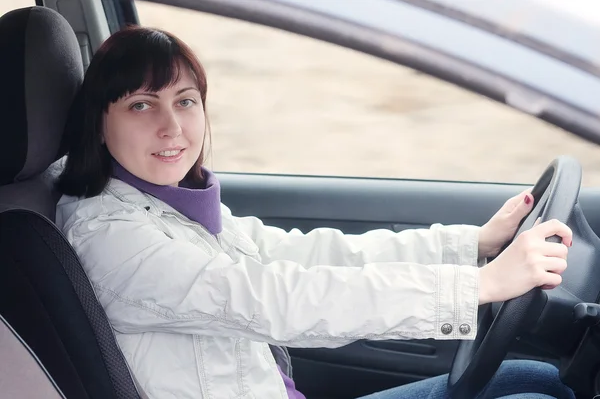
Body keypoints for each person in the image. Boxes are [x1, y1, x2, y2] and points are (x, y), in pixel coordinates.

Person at [55, 26, 575, 399]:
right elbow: (283, 300)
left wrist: (471, 246)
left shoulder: (168, 209)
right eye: (141, 105)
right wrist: (479, 287)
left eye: (186, 101)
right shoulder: (111, 237)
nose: (172, 127)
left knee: (535, 379)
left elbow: (309, 254)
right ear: (99, 124)